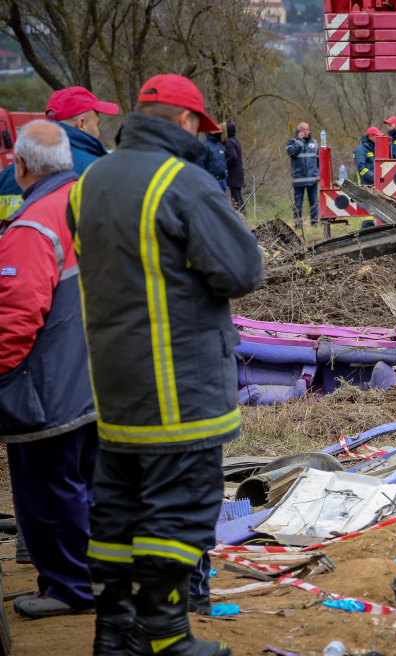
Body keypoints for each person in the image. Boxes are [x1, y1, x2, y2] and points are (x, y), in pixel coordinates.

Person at [68, 73, 264, 656]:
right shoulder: (184, 183)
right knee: (178, 509)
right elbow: (241, 271)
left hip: (113, 381)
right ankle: (166, 636)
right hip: (180, 382)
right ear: (185, 122)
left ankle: (115, 632)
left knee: (120, 507)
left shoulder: (89, 181)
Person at [0, 121, 98, 619]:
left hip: (49, 389)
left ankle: (67, 589)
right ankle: (96, 578)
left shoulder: (32, 226)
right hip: (101, 378)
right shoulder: (93, 203)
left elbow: (14, 320)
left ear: (19, 167)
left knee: (46, 494)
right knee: (86, 484)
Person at [0, 86, 120, 220]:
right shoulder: (99, 170)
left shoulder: (7, 175)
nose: (97, 132)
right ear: (82, 124)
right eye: (96, 124)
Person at [286, 122, 320, 227]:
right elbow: (293, 153)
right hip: (299, 180)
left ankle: (314, 224)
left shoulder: (314, 143)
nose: (306, 131)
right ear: (298, 132)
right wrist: (300, 141)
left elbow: (319, 160)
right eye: (303, 129)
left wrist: (319, 174)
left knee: (314, 203)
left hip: (313, 179)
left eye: (307, 129)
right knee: (298, 204)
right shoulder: (292, 142)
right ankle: (298, 225)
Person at [224, 123, 245, 213]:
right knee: (238, 196)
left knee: (235, 198)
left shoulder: (229, 142)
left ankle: (241, 219)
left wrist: (224, 164)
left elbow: (233, 156)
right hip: (239, 174)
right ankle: (243, 217)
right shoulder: (235, 141)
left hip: (234, 175)